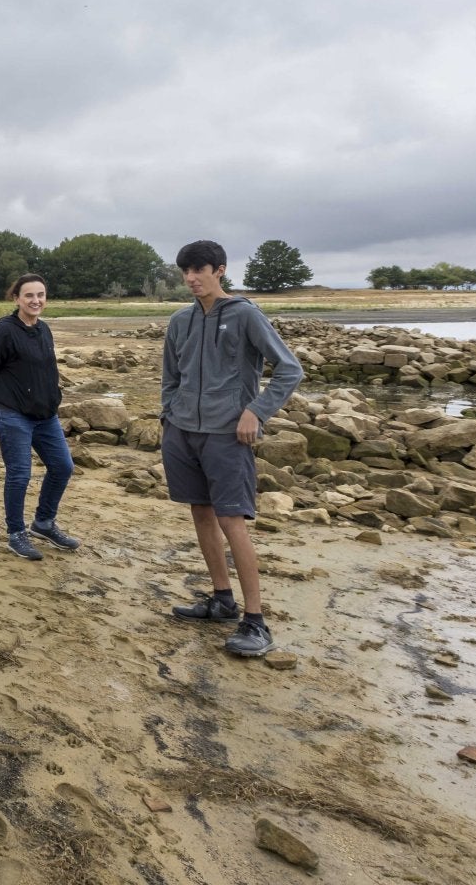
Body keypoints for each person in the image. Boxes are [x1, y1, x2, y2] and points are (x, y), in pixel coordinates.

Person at [161, 239, 304, 657]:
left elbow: (289, 370)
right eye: (186, 272)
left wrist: (256, 412)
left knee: (231, 521)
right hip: (182, 431)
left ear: (219, 270)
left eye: (199, 271)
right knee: (200, 513)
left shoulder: (245, 315)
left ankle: (255, 621)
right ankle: (222, 600)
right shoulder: (180, 321)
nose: (191, 279)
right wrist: (168, 415)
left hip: (227, 435)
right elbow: (171, 376)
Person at [0, 273, 79, 560]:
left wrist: (53, 398)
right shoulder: (5, 329)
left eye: (40, 295)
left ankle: (43, 523)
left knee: (62, 466)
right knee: (20, 473)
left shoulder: (44, 330)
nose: (36, 300)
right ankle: (16, 533)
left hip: (45, 414)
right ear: (16, 298)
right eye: (29, 295)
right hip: (11, 412)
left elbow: (47, 369)